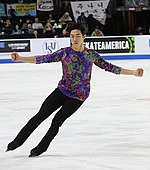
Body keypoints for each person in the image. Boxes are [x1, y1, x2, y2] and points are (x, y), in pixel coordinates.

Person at [6, 23, 144, 157]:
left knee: (57, 121)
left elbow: (110, 67)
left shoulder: (91, 55)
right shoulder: (65, 53)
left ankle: (40, 148)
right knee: (40, 115)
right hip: (62, 90)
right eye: (72, 36)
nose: (74, 39)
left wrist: (132, 72)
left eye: (77, 36)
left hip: (78, 96)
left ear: (84, 37)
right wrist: (20, 58)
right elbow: (43, 58)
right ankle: (16, 142)